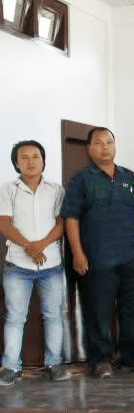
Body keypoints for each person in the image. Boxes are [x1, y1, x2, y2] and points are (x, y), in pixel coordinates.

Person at [62, 127, 134, 378]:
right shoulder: (81, 180)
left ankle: (132, 357)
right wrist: (78, 253)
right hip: (98, 258)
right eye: (99, 143)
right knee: (98, 312)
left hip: (132, 256)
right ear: (89, 148)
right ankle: (100, 359)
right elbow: (71, 218)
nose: (105, 147)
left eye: (109, 142)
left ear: (115, 146)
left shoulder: (128, 176)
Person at [0, 140, 69, 385]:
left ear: (43, 161)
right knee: (15, 318)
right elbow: (4, 223)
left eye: (36, 156)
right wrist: (29, 246)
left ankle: (54, 364)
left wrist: (41, 245)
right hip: (17, 266)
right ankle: (10, 367)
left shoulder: (56, 190)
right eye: (25, 157)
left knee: (53, 316)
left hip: (51, 264)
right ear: (16, 164)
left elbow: (62, 223)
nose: (31, 161)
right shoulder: (8, 189)